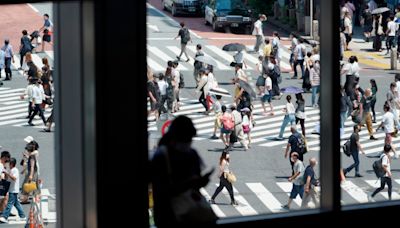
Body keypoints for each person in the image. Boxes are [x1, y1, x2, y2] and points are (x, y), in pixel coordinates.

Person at [151, 116, 216, 227]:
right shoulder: (162, 157)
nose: (188, 142)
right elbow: (162, 190)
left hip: (183, 212)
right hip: (170, 216)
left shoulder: (191, 154)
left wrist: (200, 182)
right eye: (186, 138)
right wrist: (192, 183)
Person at [0, 158, 26, 223]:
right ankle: (22, 216)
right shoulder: (11, 170)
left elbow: (14, 178)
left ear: (11, 164)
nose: (8, 165)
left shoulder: (15, 170)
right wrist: (6, 173)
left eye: (9, 164)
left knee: (9, 204)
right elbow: (8, 179)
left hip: (14, 190)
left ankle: (4, 216)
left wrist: (7, 173)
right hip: (11, 189)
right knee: (16, 204)